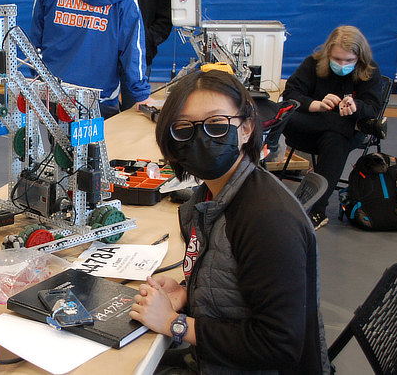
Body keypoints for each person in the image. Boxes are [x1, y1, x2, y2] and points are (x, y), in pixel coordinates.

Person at [131, 70, 330, 374]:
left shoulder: (267, 220)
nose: (201, 138)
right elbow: (236, 284)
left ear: (247, 128)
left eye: (216, 124)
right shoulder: (212, 197)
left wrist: (176, 324)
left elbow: (279, 346)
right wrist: (188, 291)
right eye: (184, 128)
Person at [29, 0, 155, 119]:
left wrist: (36, 80)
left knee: (59, 149)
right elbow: (133, 50)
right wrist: (141, 94)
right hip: (101, 98)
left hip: (55, 95)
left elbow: (33, 44)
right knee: (103, 149)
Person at [282, 25, 383, 230]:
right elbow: (291, 95)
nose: (342, 64)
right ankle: (339, 124)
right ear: (328, 53)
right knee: (288, 117)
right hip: (311, 129)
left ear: (359, 58)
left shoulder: (369, 70)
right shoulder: (313, 64)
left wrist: (356, 107)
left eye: (348, 61)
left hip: (339, 137)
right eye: (337, 59)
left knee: (335, 139)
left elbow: (372, 107)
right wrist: (316, 105)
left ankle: (317, 209)